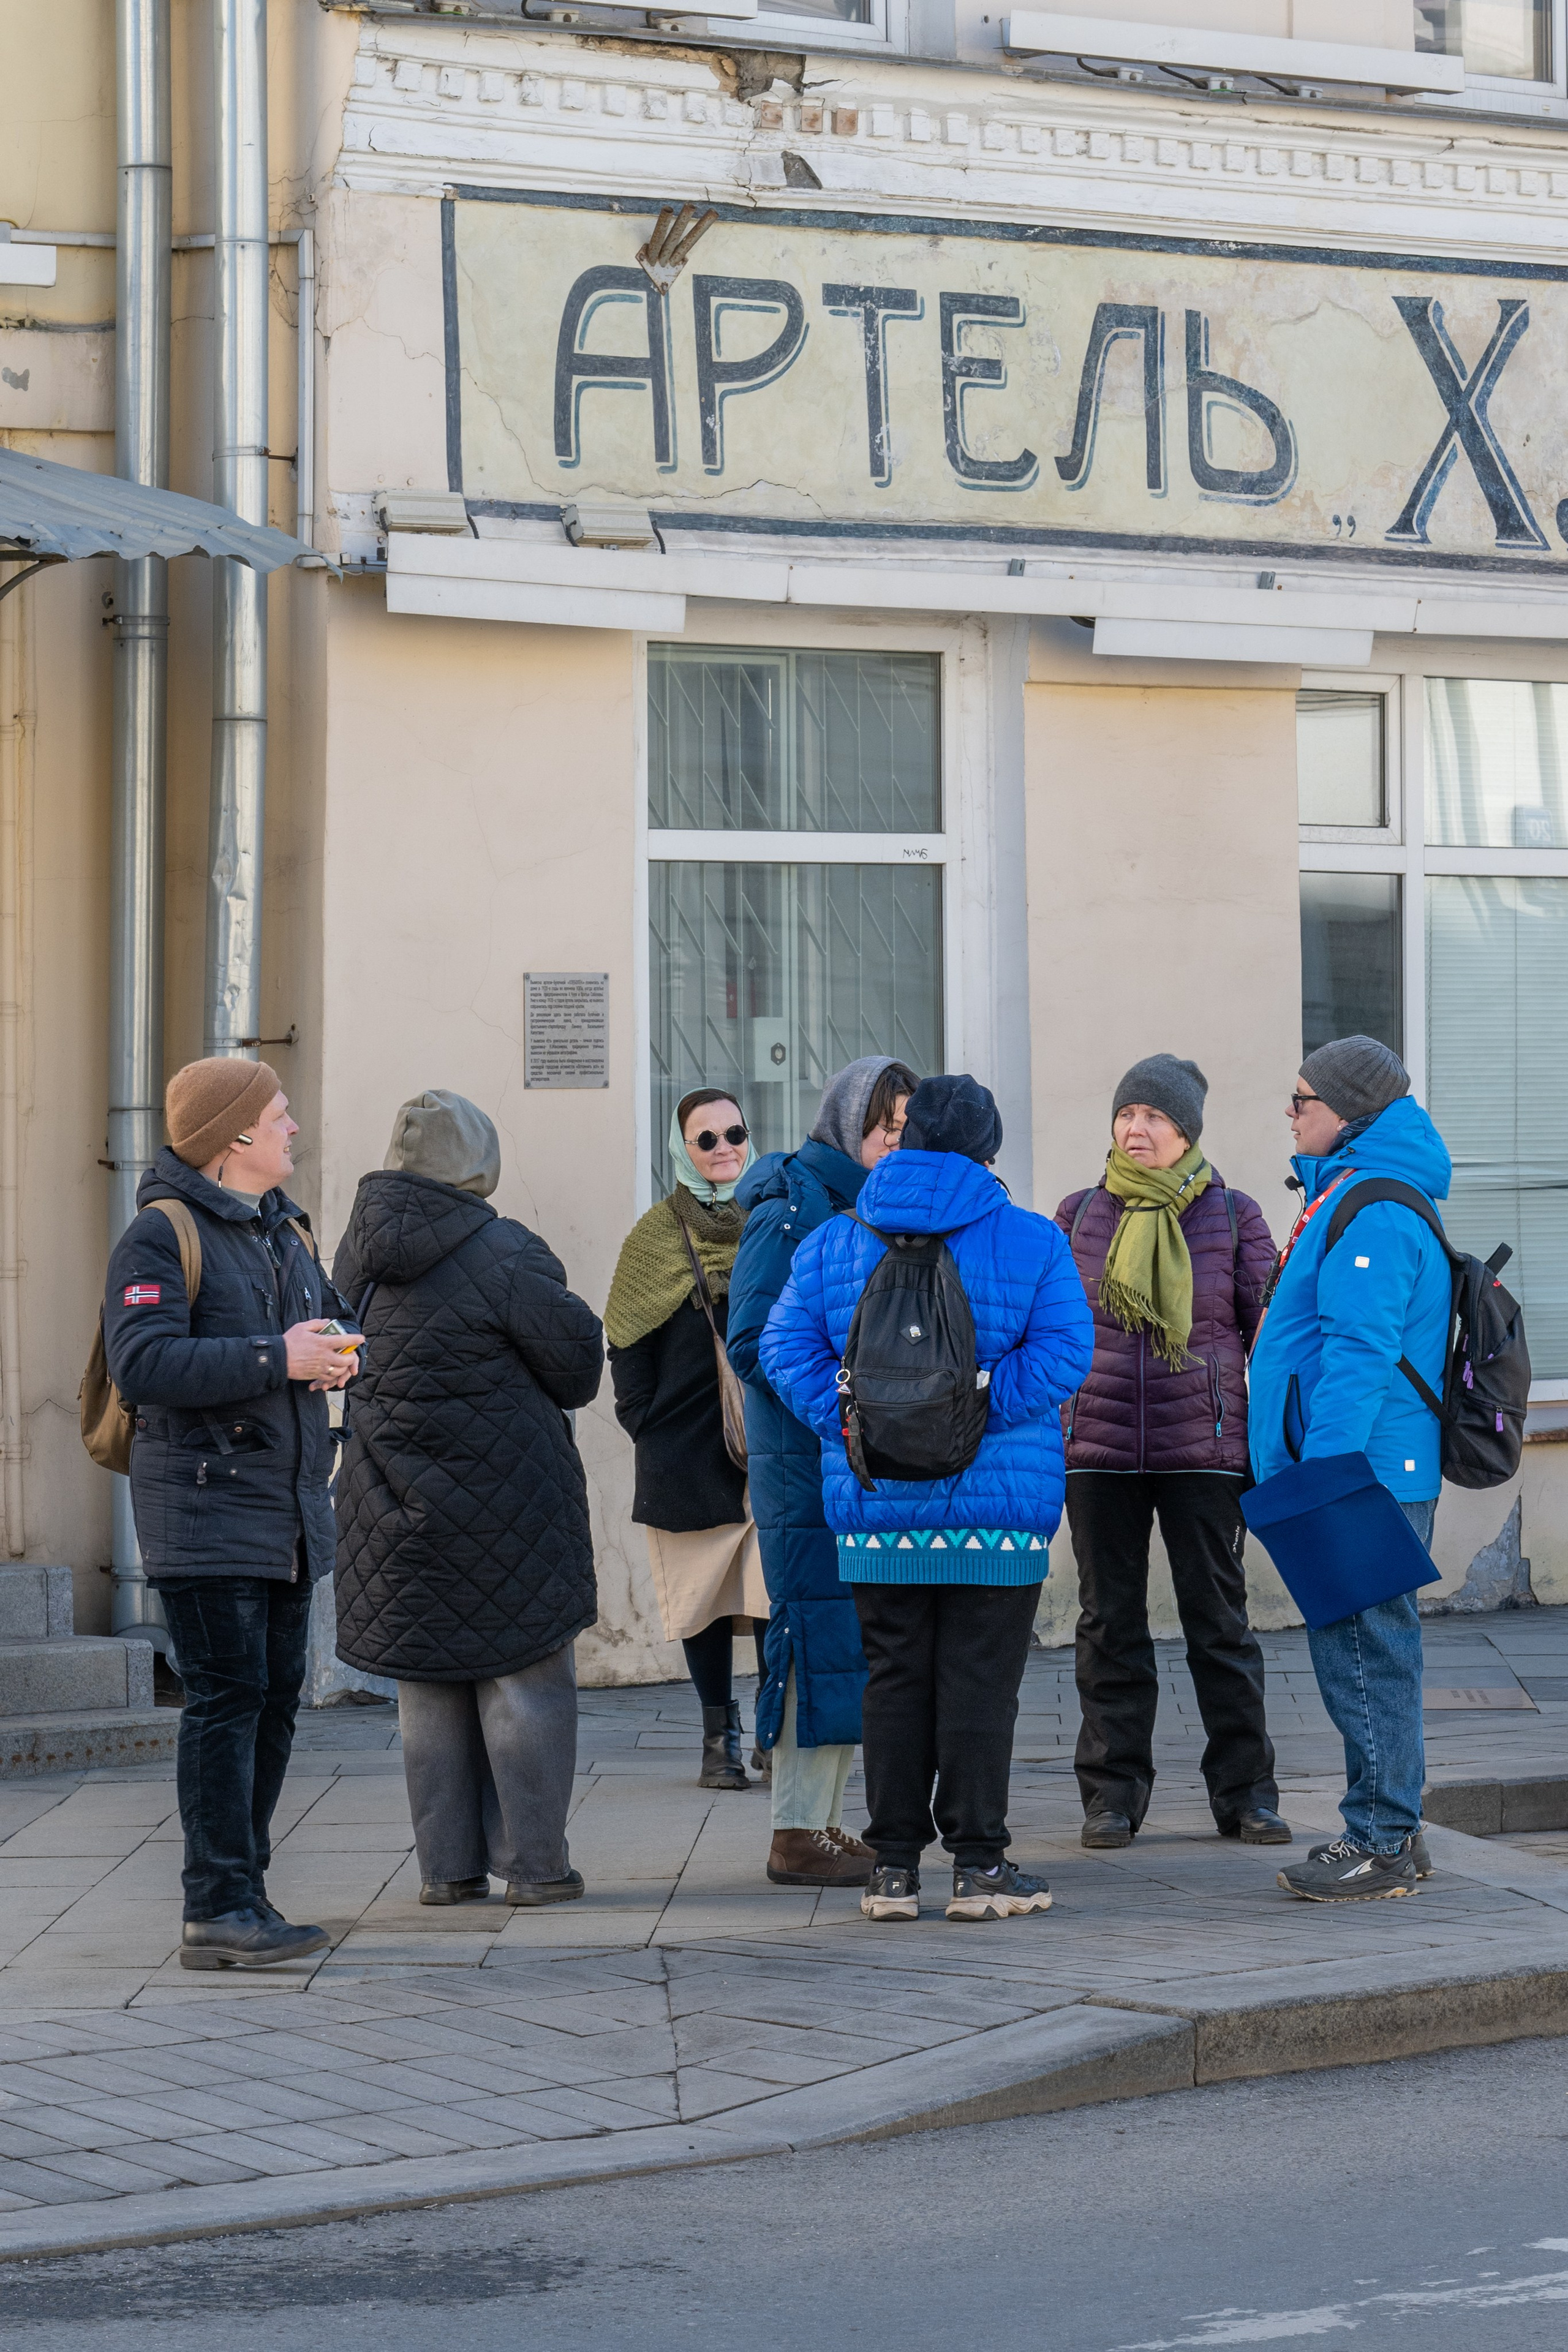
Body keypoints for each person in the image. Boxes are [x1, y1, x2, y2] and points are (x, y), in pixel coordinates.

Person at [761, 1075, 1095, 1924]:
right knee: (981, 1685)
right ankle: (981, 1868)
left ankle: (893, 1871)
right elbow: (1063, 1355)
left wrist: (853, 1417)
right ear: (989, 1148)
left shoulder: (839, 1241)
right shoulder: (1032, 1241)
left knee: (894, 1680)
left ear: (904, 1140)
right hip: (999, 1510)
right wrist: (974, 1406)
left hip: (877, 1508)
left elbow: (780, 1346)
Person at [102, 1058, 358, 1970]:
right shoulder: (159, 1235)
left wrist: (335, 1351)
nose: (294, 1129)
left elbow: (319, 1325)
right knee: (225, 1701)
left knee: (273, 1702)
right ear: (236, 1136)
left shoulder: (283, 1230)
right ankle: (215, 1907)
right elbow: (145, 1364)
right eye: (280, 1115)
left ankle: (243, 1889)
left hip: (284, 1513)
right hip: (205, 1514)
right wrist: (275, 1360)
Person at [332, 1091, 605, 1908]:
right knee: (526, 1686)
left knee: (429, 1690)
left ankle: (446, 1872)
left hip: (389, 1506)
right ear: (477, 1162)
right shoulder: (504, 1252)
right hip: (509, 1509)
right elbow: (577, 1370)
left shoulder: (356, 1256)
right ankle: (536, 1867)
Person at [1055, 1055, 1289, 1850]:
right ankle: (1112, 1796)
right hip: (1100, 1454)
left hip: (1205, 1452)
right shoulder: (1080, 1213)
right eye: (1127, 1114)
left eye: (1155, 1116)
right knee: (1108, 1626)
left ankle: (1247, 1795)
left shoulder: (1233, 1217)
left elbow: (1273, 1332)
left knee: (1220, 1626)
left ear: (1186, 1130)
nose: (1136, 1128)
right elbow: (1051, 1330)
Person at [1247, 1037, 1451, 1902]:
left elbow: (1359, 1352)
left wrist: (1321, 1473)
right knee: (1369, 1649)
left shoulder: (1373, 1211)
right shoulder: (1351, 1196)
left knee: (1364, 1657)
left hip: (1357, 1472)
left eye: (1302, 1101)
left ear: (1350, 1112)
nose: (1290, 1114)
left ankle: (1381, 1839)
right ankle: (1393, 1828)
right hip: (1360, 1467)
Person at [728, 1056, 919, 1889]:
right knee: (812, 1634)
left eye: (906, 1130)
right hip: (806, 1459)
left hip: (841, 1457)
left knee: (843, 1637)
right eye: (885, 1129)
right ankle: (796, 1832)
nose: (895, 1144)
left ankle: (821, 1823)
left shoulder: (853, 1202)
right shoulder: (796, 1205)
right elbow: (753, 1340)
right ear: (849, 1125)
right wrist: (846, 1402)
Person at [607, 1090, 769, 1789]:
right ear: (682, 1151)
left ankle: (774, 1730)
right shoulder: (654, 1236)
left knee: (770, 1596)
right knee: (701, 1602)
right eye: (706, 1139)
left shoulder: (773, 1222)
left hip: (767, 1444)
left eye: (734, 1132)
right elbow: (625, 1339)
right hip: (682, 1448)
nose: (724, 1147)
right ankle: (718, 1740)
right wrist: (644, 1420)